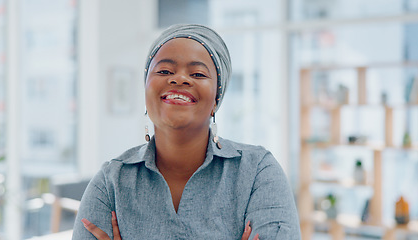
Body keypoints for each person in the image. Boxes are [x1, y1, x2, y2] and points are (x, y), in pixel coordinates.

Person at [72, 24, 301, 239]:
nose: (179, 78)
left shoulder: (258, 172)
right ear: (146, 89)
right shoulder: (110, 182)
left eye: (198, 74)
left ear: (216, 100)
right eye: (163, 71)